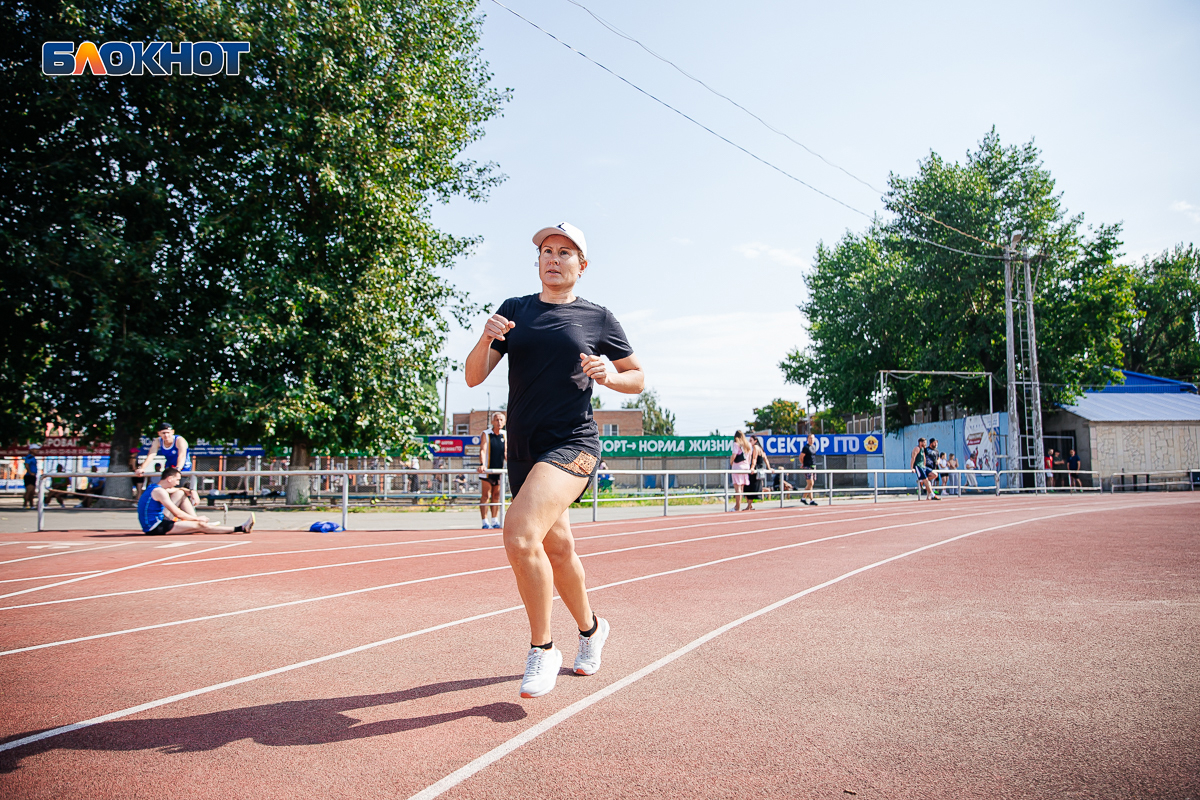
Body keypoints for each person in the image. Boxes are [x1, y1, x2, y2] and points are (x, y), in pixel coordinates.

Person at [464, 221, 644, 699]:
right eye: (547, 250)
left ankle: (543, 649)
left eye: (565, 252)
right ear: (538, 260)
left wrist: (608, 375)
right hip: (524, 449)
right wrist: (485, 338)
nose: (554, 258)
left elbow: (637, 378)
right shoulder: (514, 310)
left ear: (581, 266)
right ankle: (592, 630)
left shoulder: (597, 318)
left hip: (573, 443)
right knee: (558, 549)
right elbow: (473, 377)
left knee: (520, 536)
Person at [137, 466, 253, 535]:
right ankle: (241, 528)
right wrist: (197, 519)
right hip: (156, 527)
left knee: (180, 493)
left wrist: (192, 491)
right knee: (200, 526)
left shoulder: (155, 487)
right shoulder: (159, 492)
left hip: (158, 521)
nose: (178, 483)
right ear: (169, 478)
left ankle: (198, 523)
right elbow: (177, 513)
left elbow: (179, 490)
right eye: (177, 480)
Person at [478, 412, 507, 529]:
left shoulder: (505, 435)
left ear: (504, 422)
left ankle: (495, 520)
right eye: (496, 420)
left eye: (501, 420)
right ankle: (485, 521)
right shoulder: (486, 434)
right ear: (492, 421)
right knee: (486, 495)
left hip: (499, 471)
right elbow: (483, 449)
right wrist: (482, 464)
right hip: (487, 471)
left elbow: (506, 451)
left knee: (496, 496)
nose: (499, 422)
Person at [744, 435, 770, 510]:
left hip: (755, 470)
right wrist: (769, 468)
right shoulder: (761, 448)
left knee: (749, 487)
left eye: (751, 440)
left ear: (755, 441)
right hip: (759, 470)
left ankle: (749, 505)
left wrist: (752, 467)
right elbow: (765, 459)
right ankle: (750, 505)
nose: (749, 442)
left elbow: (754, 458)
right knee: (752, 488)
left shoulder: (755, 447)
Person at [729, 431, 752, 511]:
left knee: (737, 488)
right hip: (746, 467)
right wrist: (748, 465)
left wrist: (731, 462)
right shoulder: (748, 444)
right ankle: (739, 505)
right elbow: (749, 457)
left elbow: (734, 455)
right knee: (742, 488)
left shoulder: (736, 444)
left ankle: (737, 506)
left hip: (738, 467)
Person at [800, 432, 818, 506]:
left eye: (812, 438)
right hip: (807, 466)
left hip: (813, 466)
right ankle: (807, 498)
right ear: (807, 439)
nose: (811, 440)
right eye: (810, 438)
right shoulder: (806, 447)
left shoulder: (814, 447)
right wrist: (803, 464)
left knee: (811, 484)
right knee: (810, 483)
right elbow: (801, 457)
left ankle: (806, 499)